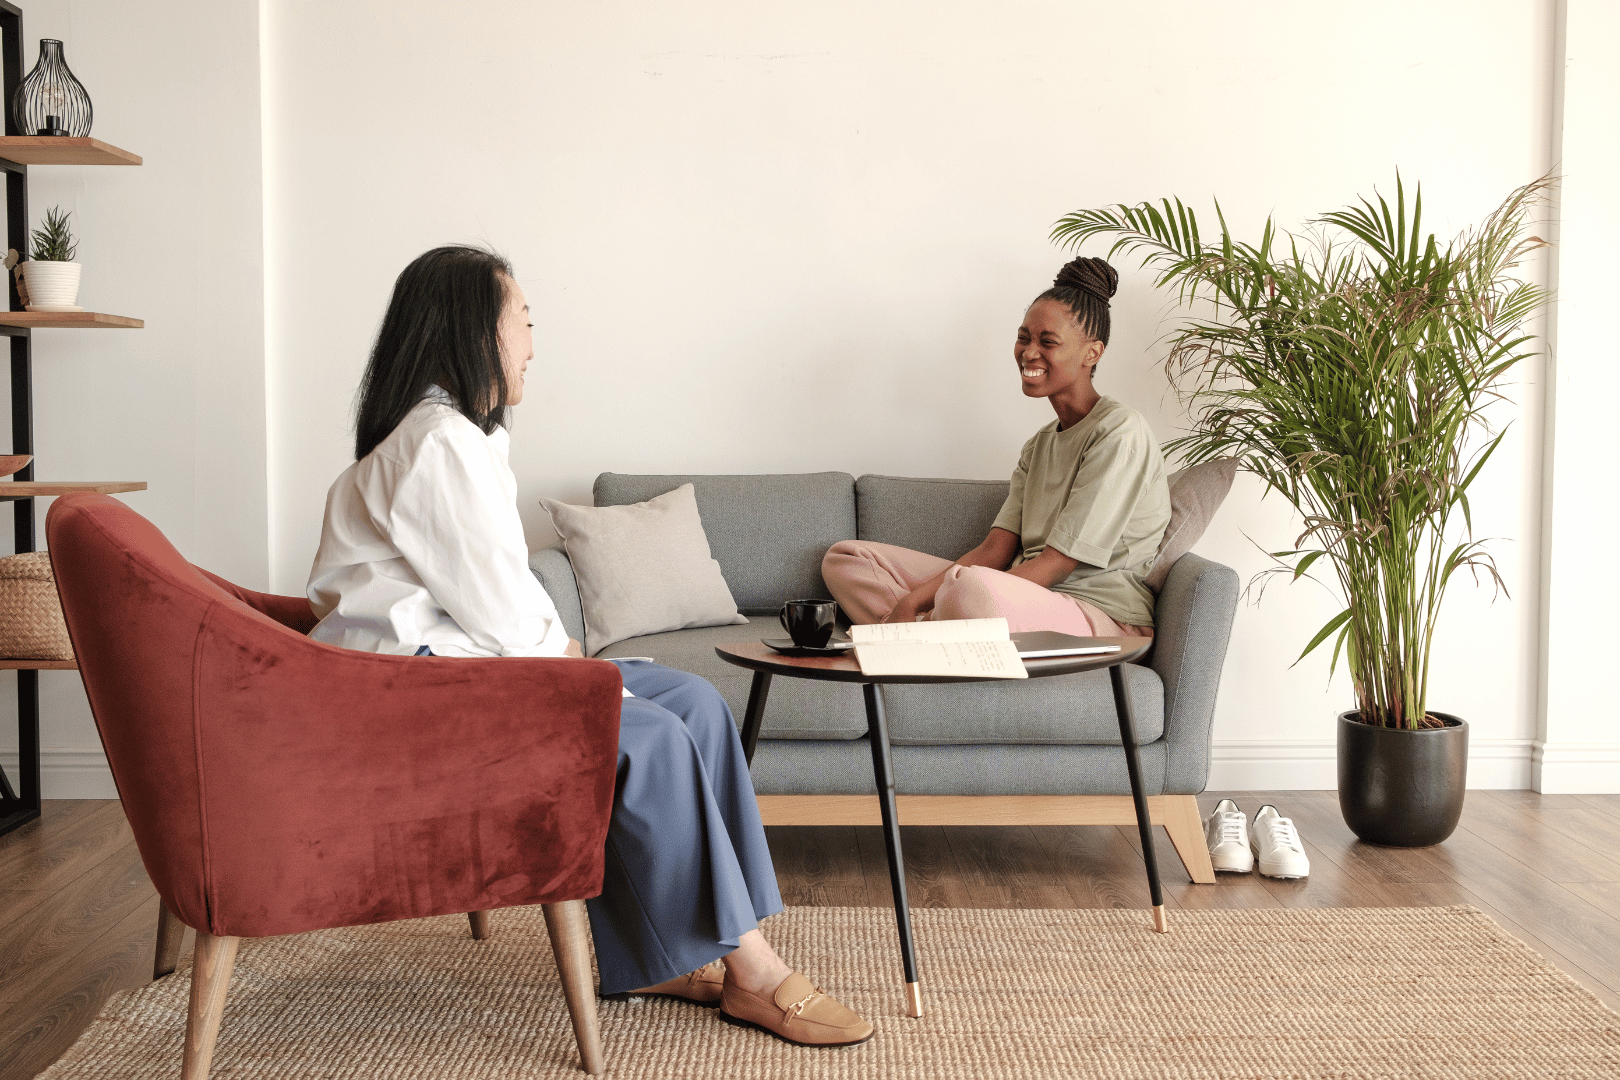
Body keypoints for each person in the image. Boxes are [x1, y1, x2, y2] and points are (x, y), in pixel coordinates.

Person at [306, 245, 873, 1048]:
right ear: (474, 331)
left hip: (458, 670)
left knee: (696, 703)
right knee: (651, 734)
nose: (533, 345)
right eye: (524, 322)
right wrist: (572, 664)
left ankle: (666, 953)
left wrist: (570, 657)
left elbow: (489, 596)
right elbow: (498, 609)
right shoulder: (434, 445)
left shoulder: (450, 438)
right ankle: (753, 970)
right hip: (419, 694)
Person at [823, 256, 1170, 637]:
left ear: (1093, 353)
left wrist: (958, 593)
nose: (1029, 352)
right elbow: (994, 551)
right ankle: (926, 633)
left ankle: (919, 634)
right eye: (1024, 338)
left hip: (1099, 615)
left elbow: (1057, 564)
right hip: (1017, 597)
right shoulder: (1038, 446)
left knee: (969, 591)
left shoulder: (1120, 432)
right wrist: (910, 602)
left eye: (1047, 342)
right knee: (847, 559)